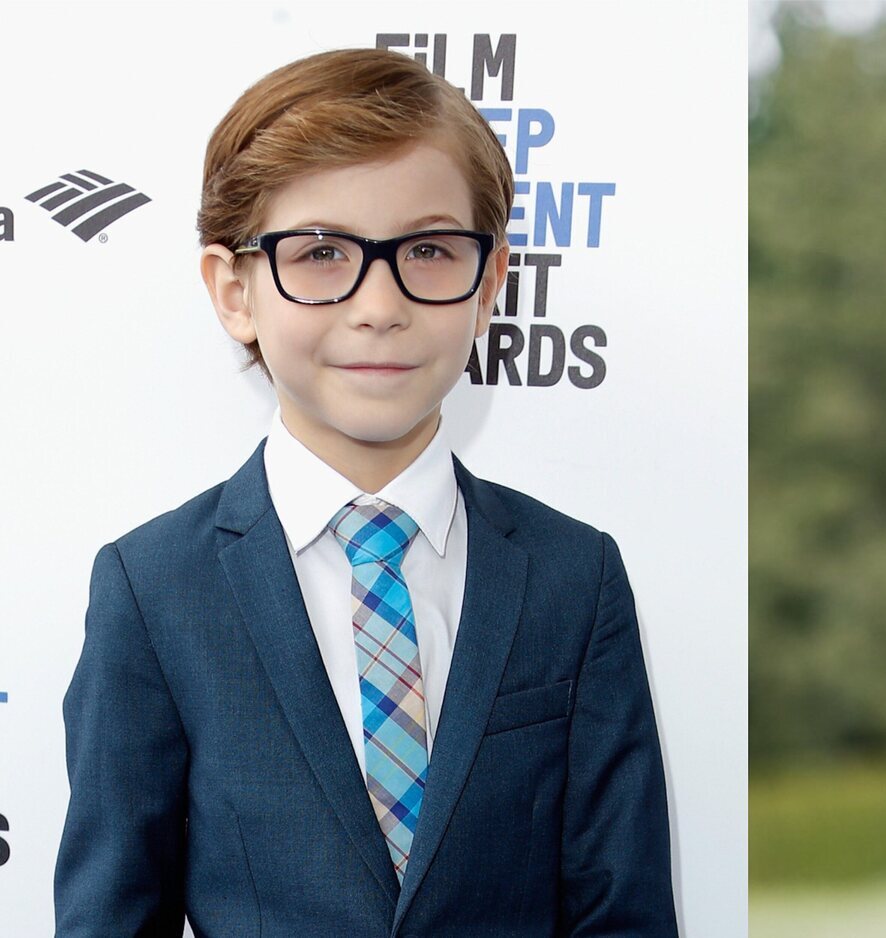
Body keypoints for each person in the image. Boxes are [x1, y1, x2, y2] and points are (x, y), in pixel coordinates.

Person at [54, 47, 677, 937]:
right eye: (319, 253)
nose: (379, 303)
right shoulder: (152, 590)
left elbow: (626, 913)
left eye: (427, 250)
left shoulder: (575, 576)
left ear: (491, 281)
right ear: (235, 290)